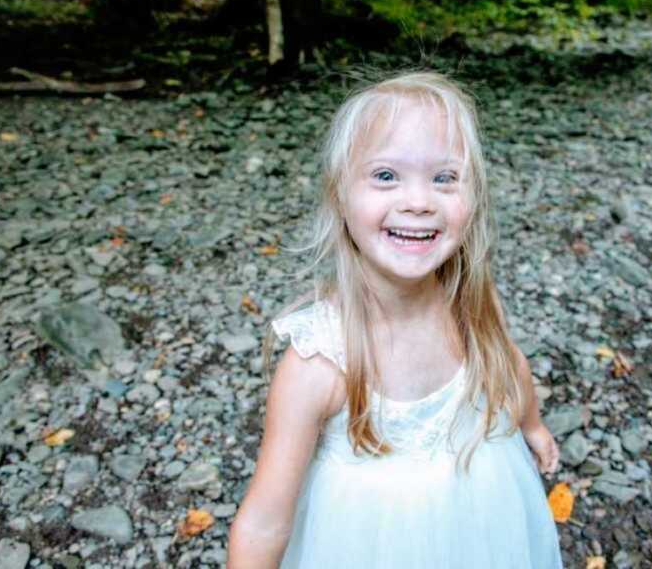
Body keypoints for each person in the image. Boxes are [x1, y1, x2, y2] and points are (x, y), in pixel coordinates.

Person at [227, 72, 563, 569]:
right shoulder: (320, 361)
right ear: (340, 196)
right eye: (386, 176)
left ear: (473, 199)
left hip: (483, 514)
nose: (419, 201)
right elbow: (265, 521)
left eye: (445, 178)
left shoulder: (467, 300)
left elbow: (506, 363)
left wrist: (530, 424)